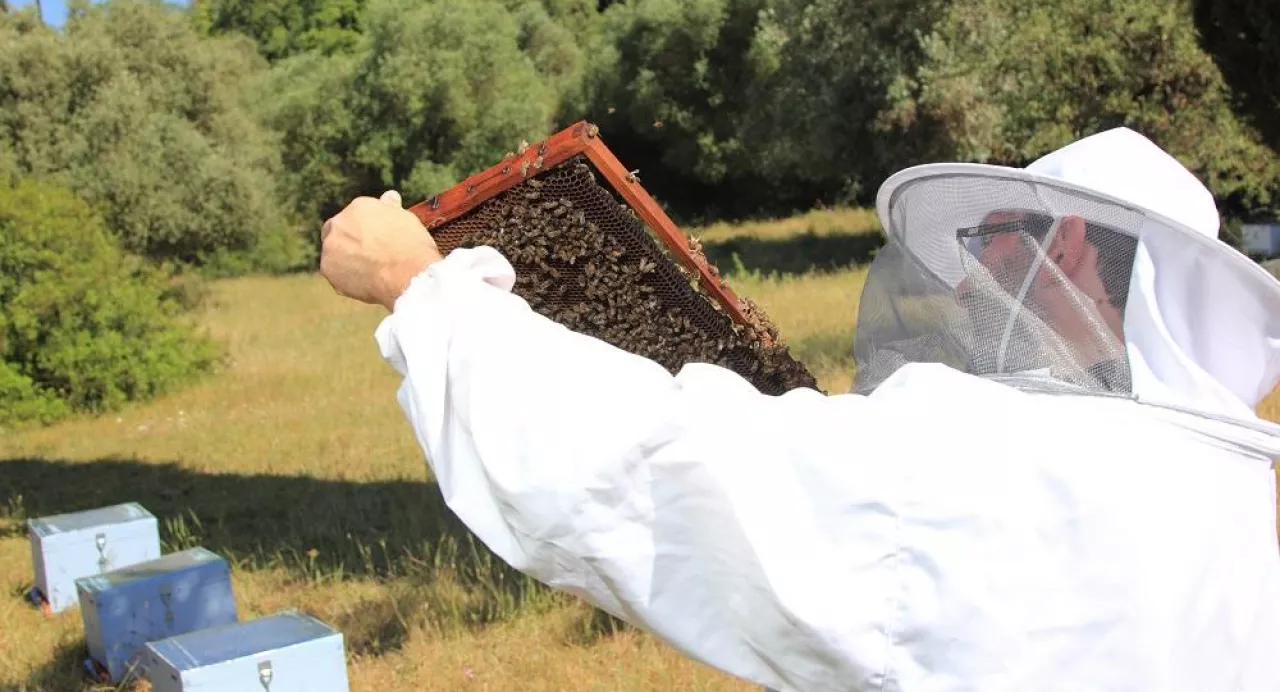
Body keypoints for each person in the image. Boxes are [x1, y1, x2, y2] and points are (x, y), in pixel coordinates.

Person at [320, 127, 1280, 692]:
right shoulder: (1232, 492)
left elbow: (657, 467)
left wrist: (424, 288)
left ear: (1067, 249)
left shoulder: (983, 459)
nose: (968, 275)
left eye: (991, 240)